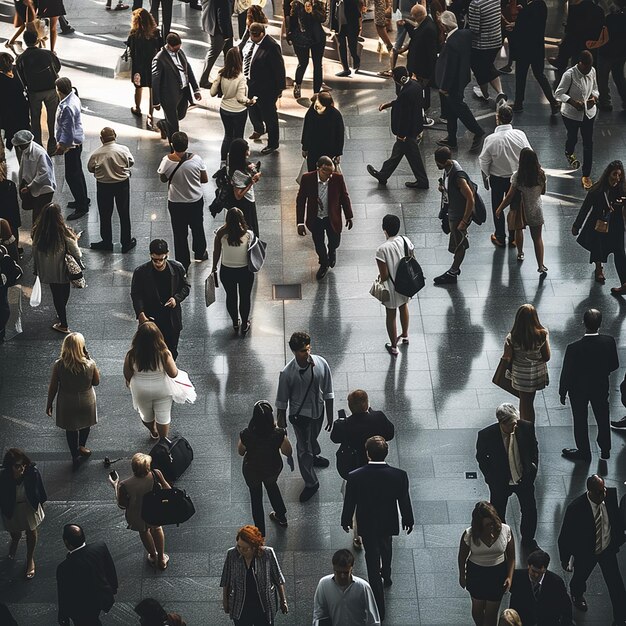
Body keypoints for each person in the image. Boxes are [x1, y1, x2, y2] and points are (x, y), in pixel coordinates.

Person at [341, 436, 414, 621]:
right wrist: (408, 519)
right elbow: (403, 500)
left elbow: (350, 501)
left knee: (371, 560)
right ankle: (387, 573)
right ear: (386, 453)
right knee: (386, 547)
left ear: (367, 454)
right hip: (387, 522)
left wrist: (346, 519)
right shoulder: (399, 475)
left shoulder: (355, 476)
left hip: (367, 523)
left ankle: (379, 606)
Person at [331, 389, 395, 549]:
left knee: (355, 504)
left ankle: (358, 537)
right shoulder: (378, 417)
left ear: (350, 407)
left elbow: (334, 438)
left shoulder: (345, 424)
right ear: (366, 403)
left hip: (355, 472)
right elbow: (390, 433)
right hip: (377, 471)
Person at [558, 475, 626, 623]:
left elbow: (616, 519)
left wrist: (619, 538)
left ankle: (621, 618)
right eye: (599, 492)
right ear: (590, 491)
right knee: (580, 577)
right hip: (586, 552)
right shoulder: (576, 508)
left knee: (616, 585)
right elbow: (565, 535)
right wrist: (565, 558)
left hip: (607, 549)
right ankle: (576, 593)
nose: (603, 494)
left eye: (604, 490)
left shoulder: (610, 496)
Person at [276, 331, 334, 502]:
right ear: (294, 351)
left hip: (318, 411)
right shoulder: (287, 373)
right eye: (302, 351)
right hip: (301, 416)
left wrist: (330, 415)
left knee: (312, 439)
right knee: (303, 449)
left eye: (308, 349)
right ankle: (311, 482)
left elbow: (328, 390)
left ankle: (314, 455)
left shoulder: (321, 363)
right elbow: (281, 400)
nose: (307, 353)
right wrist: (282, 424)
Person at [476, 403, 540, 552]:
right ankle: (500, 539)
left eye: (516, 422)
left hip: (523, 478)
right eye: (512, 424)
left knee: (530, 510)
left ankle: (528, 540)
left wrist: (532, 470)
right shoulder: (487, 435)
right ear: (502, 422)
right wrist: (490, 478)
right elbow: (481, 458)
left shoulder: (526, 427)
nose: (515, 426)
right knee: (497, 513)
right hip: (500, 482)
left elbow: (534, 449)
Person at [560, 308, 618, 461]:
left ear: (583, 323)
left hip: (578, 390)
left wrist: (562, 391)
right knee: (602, 416)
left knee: (580, 419)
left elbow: (567, 372)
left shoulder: (573, 348)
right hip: (600, 386)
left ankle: (584, 451)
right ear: (600, 323)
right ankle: (605, 448)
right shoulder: (609, 341)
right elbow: (614, 364)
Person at [366, 67, 429, 190]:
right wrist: (389, 104)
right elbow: (405, 103)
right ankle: (383, 175)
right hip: (415, 127)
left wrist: (401, 134)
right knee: (398, 152)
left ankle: (422, 181)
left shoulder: (406, 92)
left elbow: (405, 115)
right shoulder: (415, 86)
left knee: (413, 156)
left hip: (407, 132)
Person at [479, 105, 531, 249]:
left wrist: (486, 177)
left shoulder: (491, 139)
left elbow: (484, 161)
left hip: (497, 178)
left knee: (498, 207)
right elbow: (529, 153)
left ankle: (500, 236)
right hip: (516, 179)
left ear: (498, 118)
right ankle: (514, 237)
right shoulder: (520, 135)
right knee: (515, 207)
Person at [238, 401, 292, 536]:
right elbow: (288, 452)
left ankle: (260, 532)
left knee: (256, 498)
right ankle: (281, 516)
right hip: (272, 468)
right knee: (272, 487)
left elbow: (240, 451)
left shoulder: (246, 433)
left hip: (252, 471)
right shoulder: (278, 433)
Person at [130, 239, 190, 360]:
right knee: (151, 352)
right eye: (155, 260)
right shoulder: (141, 272)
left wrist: (176, 299)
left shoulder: (177, 268)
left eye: (161, 259)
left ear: (167, 255)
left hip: (172, 318)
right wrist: (141, 313)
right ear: (150, 256)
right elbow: (136, 294)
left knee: (172, 351)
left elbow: (185, 287)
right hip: (152, 317)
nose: (158, 263)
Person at [46, 332, 100, 467]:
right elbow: (96, 382)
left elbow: (53, 386)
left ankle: (75, 455)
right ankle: (82, 446)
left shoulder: (59, 365)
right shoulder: (90, 364)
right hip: (87, 400)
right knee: (85, 425)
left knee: (70, 430)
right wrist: (90, 358)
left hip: (67, 401)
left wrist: (49, 403)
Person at [458, 501, 515, 626]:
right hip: (477, 573)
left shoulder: (506, 530)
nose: (491, 528)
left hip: (498, 573)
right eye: (486, 525)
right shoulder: (469, 534)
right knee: (478, 609)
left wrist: (509, 577)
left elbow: (511, 557)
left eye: (492, 524)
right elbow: (462, 557)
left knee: (491, 612)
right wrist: (462, 575)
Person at [157, 131, 208, 270]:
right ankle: (200, 252)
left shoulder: (166, 161)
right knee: (198, 227)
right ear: (187, 144)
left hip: (176, 202)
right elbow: (205, 179)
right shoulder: (196, 159)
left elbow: (163, 179)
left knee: (179, 233)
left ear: (172, 144)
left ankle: (183, 261)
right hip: (195, 200)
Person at [571, 160, 626, 291]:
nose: (617, 178)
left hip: (616, 224)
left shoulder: (622, 189)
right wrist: (576, 225)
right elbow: (585, 208)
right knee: (598, 247)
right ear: (608, 174)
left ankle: (625, 282)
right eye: (614, 175)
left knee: (619, 252)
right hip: (599, 222)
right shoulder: (597, 189)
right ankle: (598, 269)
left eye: (619, 175)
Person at [297, 156, 353, 280]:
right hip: (315, 218)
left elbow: (344, 197)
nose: (329, 175)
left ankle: (332, 250)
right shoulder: (307, 179)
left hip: (331, 217)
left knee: (335, 241)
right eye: (326, 172)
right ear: (318, 169)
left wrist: (349, 216)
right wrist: (300, 222)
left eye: (331, 172)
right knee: (319, 244)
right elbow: (301, 200)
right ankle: (323, 263)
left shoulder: (337, 178)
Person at [435, 11, 484, 152]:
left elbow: (450, 68)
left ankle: (478, 131)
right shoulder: (464, 34)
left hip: (452, 83)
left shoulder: (451, 43)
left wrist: (444, 87)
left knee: (459, 108)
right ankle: (451, 138)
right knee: (452, 110)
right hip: (462, 78)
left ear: (444, 26)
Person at [113, 453, 171, 570]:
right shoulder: (156, 474)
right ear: (148, 467)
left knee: (144, 532)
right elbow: (168, 489)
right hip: (154, 509)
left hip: (137, 514)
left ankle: (153, 556)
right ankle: (161, 559)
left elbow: (122, 505)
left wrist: (115, 486)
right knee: (157, 528)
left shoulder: (124, 484)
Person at [220, 525, 289, 623]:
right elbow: (226, 579)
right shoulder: (232, 554)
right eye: (239, 546)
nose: (240, 550)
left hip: (263, 604)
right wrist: (225, 601)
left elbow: (278, 578)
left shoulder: (267, 553)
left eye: (245, 548)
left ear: (254, 547)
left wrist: (283, 600)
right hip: (240, 604)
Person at [31, 202, 82, 334]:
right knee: (64, 291)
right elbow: (77, 253)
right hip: (63, 269)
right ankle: (63, 323)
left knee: (56, 293)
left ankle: (61, 314)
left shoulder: (37, 231)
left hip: (47, 270)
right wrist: (75, 239)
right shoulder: (63, 231)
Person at [495, 148, 547, 273]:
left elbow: (509, 196)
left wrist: (500, 208)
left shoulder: (517, 176)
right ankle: (540, 265)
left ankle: (520, 252)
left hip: (521, 208)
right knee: (538, 238)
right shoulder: (541, 174)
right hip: (536, 208)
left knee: (519, 229)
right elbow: (543, 191)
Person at [124, 321, 178, 439]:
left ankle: (153, 431)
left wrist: (130, 384)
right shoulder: (164, 354)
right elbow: (173, 374)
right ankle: (163, 440)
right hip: (162, 389)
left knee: (145, 415)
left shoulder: (132, 354)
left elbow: (127, 374)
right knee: (163, 415)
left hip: (141, 390)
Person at [56, 524, 118, 626]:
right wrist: (113, 588)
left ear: (66, 542)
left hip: (83, 607)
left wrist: (63, 614)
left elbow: (64, 593)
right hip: (102, 596)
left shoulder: (64, 567)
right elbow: (110, 568)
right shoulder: (100, 547)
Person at [87, 127, 136, 253]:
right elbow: (131, 162)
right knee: (124, 213)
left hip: (104, 186)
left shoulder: (96, 154)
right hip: (122, 185)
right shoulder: (123, 149)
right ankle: (126, 242)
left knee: (105, 214)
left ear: (101, 139)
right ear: (115, 136)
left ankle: (107, 242)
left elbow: (90, 168)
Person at [555, 51, 599, 190]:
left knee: (588, 143)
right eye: (586, 67)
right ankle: (569, 151)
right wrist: (573, 102)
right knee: (572, 137)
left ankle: (586, 175)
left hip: (589, 114)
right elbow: (558, 93)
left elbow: (596, 89)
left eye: (590, 66)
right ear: (580, 63)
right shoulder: (569, 74)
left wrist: (594, 98)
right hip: (571, 115)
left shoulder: (592, 71)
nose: (588, 69)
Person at [0, 448, 46, 580]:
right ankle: (15, 540)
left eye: (23, 464)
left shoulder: (32, 473)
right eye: (17, 466)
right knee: (14, 531)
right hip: (12, 507)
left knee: (31, 530)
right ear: (10, 466)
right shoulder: (4, 477)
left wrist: (41, 504)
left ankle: (30, 558)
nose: (22, 468)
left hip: (29, 506)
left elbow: (39, 489)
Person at [373, 214, 415, 355]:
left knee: (391, 315)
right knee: (404, 306)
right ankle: (405, 335)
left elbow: (384, 275)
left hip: (391, 287)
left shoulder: (382, 249)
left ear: (384, 229)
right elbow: (412, 258)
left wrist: (379, 278)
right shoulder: (405, 240)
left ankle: (393, 346)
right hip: (406, 283)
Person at [433, 147, 475, 285]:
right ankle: (453, 270)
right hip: (452, 211)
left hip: (458, 215)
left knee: (460, 244)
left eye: (438, 163)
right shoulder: (450, 167)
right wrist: (443, 188)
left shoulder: (458, 177)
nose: (436, 165)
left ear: (444, 161)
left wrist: (464, 221)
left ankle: (453, 271)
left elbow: (470, 198)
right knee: (457, 242)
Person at [502, 304, 550, 422]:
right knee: (528, 401)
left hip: (520, 375)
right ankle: (525, 424)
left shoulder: (512, 337)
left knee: (525, 403)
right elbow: (547, 357)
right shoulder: (542, 334)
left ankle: (526, 428)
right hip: (536, 374)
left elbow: (507, 357)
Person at [211, 207, 256, 335]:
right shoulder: (248, 234)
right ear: (242, 219)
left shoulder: (221, 233)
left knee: (231, 297)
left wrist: (214, 267)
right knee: (245, 297)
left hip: (227, 271)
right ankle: (245, 323)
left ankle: (235, 323)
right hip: (245, 271)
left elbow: (216, 251)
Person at [244, 22, 286, 155]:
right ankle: (259, 129)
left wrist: (279, 89)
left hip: (266, 89)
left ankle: (273, 143)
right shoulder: (250, 42)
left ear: (262, 33)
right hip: (251, 84)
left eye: (256, 35)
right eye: (251, 34)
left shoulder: (272, 46)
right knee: (252, 109)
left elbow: (279, 69)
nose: (253, 37)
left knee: (270, 116)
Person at [15, 29, 60, 154]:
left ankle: (38, 144)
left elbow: (20, 77)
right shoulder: (47, 53)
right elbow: (58, 66)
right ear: (36, 39)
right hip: (50, 88)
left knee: (35, 117)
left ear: (25, 41)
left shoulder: (21, 58)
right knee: (52, 116)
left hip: (34, 91)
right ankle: (52, 141)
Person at [511, 0, 559, 114]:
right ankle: (553, 102)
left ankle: (518, 103)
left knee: (521, 75)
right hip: (536, 47)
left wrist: (516, 23)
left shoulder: (531, 7)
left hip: (525, 47)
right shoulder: (540, 5)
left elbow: (524, 25)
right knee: (539, 75)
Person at [151, 32, 202, 143]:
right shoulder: (159, 59)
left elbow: (188, 70)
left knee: (181, 115)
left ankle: (163, 124)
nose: (178, 49)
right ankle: (174, 148)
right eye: (175, 47)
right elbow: (155, 81)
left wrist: (196, 89)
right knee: (174, 126)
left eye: (179, 47)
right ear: (169, 45)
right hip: (168, 96)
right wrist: (156, 101)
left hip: (183, 91)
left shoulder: (180, 52)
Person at [312, 549, 381, 625]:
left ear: (351, 569)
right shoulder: (324, 584)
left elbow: (373, 618)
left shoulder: (363, 587)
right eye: (338, 572)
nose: (342, 576)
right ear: (333, 568)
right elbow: (319, 612)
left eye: (345, 572)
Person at [54, 77, 91, 221]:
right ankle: (83, 199)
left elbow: (67, 130)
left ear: (59, 90)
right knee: (77, 172)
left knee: (71, 175)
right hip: (77, 141)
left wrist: (62, 146)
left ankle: (82, 206)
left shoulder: (67, 106)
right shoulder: (73, 97)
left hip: (71, 145)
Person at [509, 549, 573, 626]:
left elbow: (565, 605)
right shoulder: (517, 578)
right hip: (524, 620)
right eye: (533, 571)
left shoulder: (556, 582)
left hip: (546, 621)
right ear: (528, 566)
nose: (535, 575)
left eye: (539, 573)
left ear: (545, 569)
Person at [210, 48, 252, 162]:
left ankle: (223, 161)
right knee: (238, 138)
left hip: (224, 109)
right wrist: (250, 101)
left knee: (227, 136)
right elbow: (240, 98)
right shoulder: (240, 77)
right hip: (239, 111)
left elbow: (212, 92)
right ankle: (237, 161)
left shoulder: (221, 73)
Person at [126, 8, 163, 132]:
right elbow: (160, 47)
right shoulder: (156, 33)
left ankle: (137, 108)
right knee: (152, 89)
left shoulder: (134, 34)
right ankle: (150, 115)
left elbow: (130, 49)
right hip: (152, 65)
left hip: (138, 66)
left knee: (138, 87)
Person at [401, 4, 438, 122]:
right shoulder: (425, 24)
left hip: (422, 67)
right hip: (419, 66)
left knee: (422, 89)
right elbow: (416, 37)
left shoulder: (428, 28)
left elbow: (430, 53)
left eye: (414, 16)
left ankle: (423, 109)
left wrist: (430, 72)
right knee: (421, 89)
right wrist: (407, 25)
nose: (413, 19)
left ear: (418, 15)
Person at [11, 129, 56, 225]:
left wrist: (29, 186)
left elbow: (44, 174)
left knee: (39, 218)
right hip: (34, 189)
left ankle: (39, 237)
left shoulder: (39, 153)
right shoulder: (25, 151)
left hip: (44, 190)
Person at [468, 0, 507, 104]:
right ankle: (500, 92)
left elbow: (475, 29)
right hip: (496, 40)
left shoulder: (476, 4)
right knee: (489, 66)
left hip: (481, 44)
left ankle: (485, 95)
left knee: (479, 70)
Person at [286, 0, 326, 97]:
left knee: (317, 64)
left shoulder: (318, 3)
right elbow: (291, 20)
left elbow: (323, 19)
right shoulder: (296, 3)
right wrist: (289, 35)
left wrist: (312, 11)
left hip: (317, 38)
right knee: (303, 63)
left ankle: (316, 92)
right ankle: (298, 85)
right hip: (300, 38)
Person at [301, 92, 345, 174]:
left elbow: (307, 130)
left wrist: (305, 147)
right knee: (327, 172)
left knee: (313, 172)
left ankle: (314, 186)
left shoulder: (312, 112)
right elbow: (340, 135)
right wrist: (338, 153)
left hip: (313, 148)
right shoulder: (335, 114)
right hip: (329, 149)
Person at [596, 0, 626, 112]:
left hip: (606, 52)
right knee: (619, 77)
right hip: (621, 53)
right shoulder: (623, 18)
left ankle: (605, 102)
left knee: (602, 78)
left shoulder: (608, 18)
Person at [228, 138, 260, 236]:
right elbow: (238, 195)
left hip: (249, 200)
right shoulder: (237, 172)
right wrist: (252, 181)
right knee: (249, 229)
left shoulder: (243, 164)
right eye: (247, 149)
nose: (248, 151)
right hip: (244, 204)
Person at [199, 0, 233, 89]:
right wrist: (226, 33)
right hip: (218, 27)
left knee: (226, 51)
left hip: (214, 23)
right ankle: (204, 80)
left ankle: (228, 78)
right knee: (214, 51)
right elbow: (222, 12)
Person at [0, 52, 30, 151]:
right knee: (23, 141)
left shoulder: (2, 78)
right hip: (22, 111)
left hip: (9, 116)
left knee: (15, 139)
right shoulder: (16, 71)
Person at [331, 0, 361, 77]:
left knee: (352, 45)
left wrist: (359, 25)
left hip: (351, 23)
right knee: (341, 45)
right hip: (339, 23)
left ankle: (355, 58)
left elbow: (356, 9)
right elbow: (332, 9)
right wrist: (332, 26)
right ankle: (346, 69)